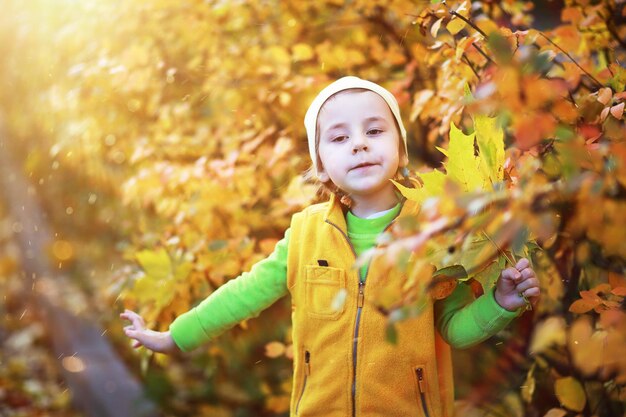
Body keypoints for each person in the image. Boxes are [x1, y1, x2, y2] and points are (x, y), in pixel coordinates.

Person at [121, 76, 540, 417]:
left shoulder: (436, 232)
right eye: (339, 139)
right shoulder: (304, 234)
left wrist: (501, 302)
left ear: (400, 149)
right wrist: (174, 337)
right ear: (320, 163)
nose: (359, 144)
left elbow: (454, 330)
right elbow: (243, 294)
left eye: (374, 131)